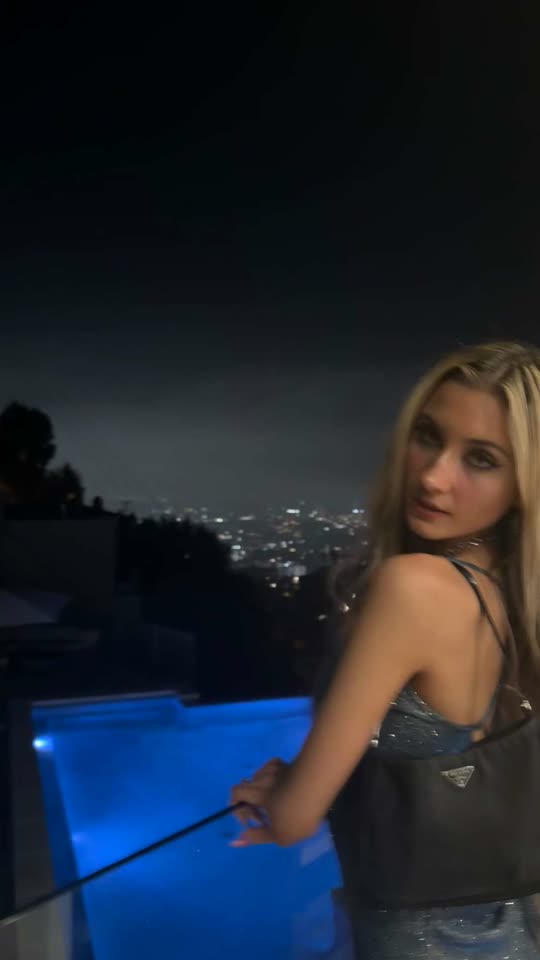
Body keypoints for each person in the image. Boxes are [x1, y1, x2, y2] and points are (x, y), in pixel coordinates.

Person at [230, 340, 540, 959]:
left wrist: (286, 792)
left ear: (524, 484)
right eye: (428, 436)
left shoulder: (415, 588)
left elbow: (292, 819)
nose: (432, 476)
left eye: (481, 459)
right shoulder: (512, 598)